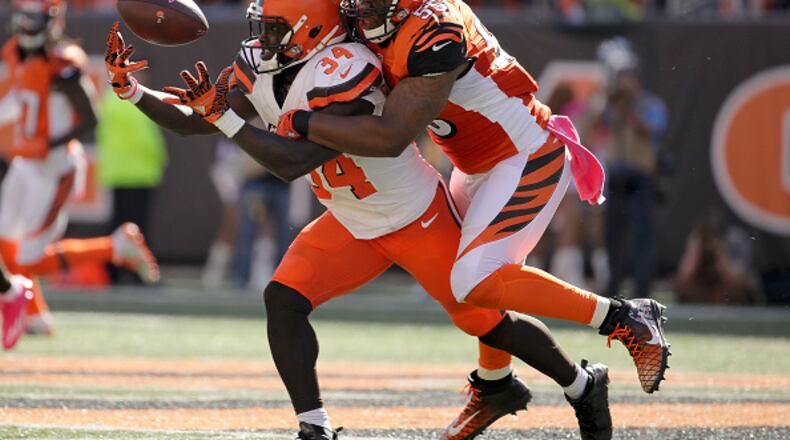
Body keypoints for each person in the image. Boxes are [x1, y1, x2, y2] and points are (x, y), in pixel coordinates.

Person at [103, 1, 613, 437]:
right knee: (283, 300)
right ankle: (314, 424)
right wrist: (133, 92)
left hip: (412, 218)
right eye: (261, 27)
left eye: (276, 28)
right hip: (350, 218)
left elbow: (292, 161)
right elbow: (199, 120)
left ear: (310, 28)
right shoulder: (260, 61)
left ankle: (581, 383)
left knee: (486, 320)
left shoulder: (346, 67)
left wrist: (226, 118)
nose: (262, 39)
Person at [274, 0, 670, 432]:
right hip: (476, 166)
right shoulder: (378, 24)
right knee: (469, 294)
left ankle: (624, 317)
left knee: (474, 279)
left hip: (525, 155)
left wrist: (303, 121)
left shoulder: (435, 29)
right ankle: (496, 383)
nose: (362, 10)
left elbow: (391, 135)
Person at [0, 0, 160, 335]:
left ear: (52, 20)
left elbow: (91, 117)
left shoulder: (64, 63)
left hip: (55, 169)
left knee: (29, 255)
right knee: (4, 241)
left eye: (34, 18)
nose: (27, 25)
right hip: (25, 163)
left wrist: (47, 143)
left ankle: (115, 246)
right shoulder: (15, 52)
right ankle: (34, 314)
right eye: (24, 17)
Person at [595, 37, 667, 299]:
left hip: (640, 178)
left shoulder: (651, 105)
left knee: (641, 238)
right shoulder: (612, 105)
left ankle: (642, 289)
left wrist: (629, 109)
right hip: (615, 178)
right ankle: (613, 287)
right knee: (613, 236)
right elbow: (594, 124)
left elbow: (652, 131)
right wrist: (612, 101)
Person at [95, 71, 169, 284]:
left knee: (118, 224)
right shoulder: (134, 101)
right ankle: (139, 274)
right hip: (139, 172)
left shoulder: (109, 99)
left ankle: (112, 273)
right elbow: (146, 140)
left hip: (117, 171)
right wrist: (159, 160)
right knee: (137, 229)